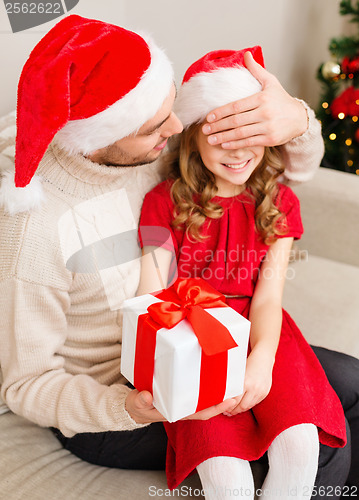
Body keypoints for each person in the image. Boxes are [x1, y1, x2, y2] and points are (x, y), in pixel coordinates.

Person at [0, 14, 356, 497]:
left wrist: (297, 117)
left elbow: (286, 167)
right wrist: (131, 407)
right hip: (118, 397)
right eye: (154, 127)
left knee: (351, 385)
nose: (176, 125)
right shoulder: (35, 233)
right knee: (323, 444)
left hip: (212, 336)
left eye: (171, 106)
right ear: (104, 137)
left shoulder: (156, 151)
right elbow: (26, 386)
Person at [137, 47, 347, 499]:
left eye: (248, 133)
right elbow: (151, 298)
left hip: (262, 330)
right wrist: (176, 366)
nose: (238, 151)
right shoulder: (163, 202)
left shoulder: (280, 203)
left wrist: (261, 359)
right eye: (220, 135)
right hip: (191, 338)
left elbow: (269, 299)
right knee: (225, 474)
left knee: (299, 447)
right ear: (192, 136)